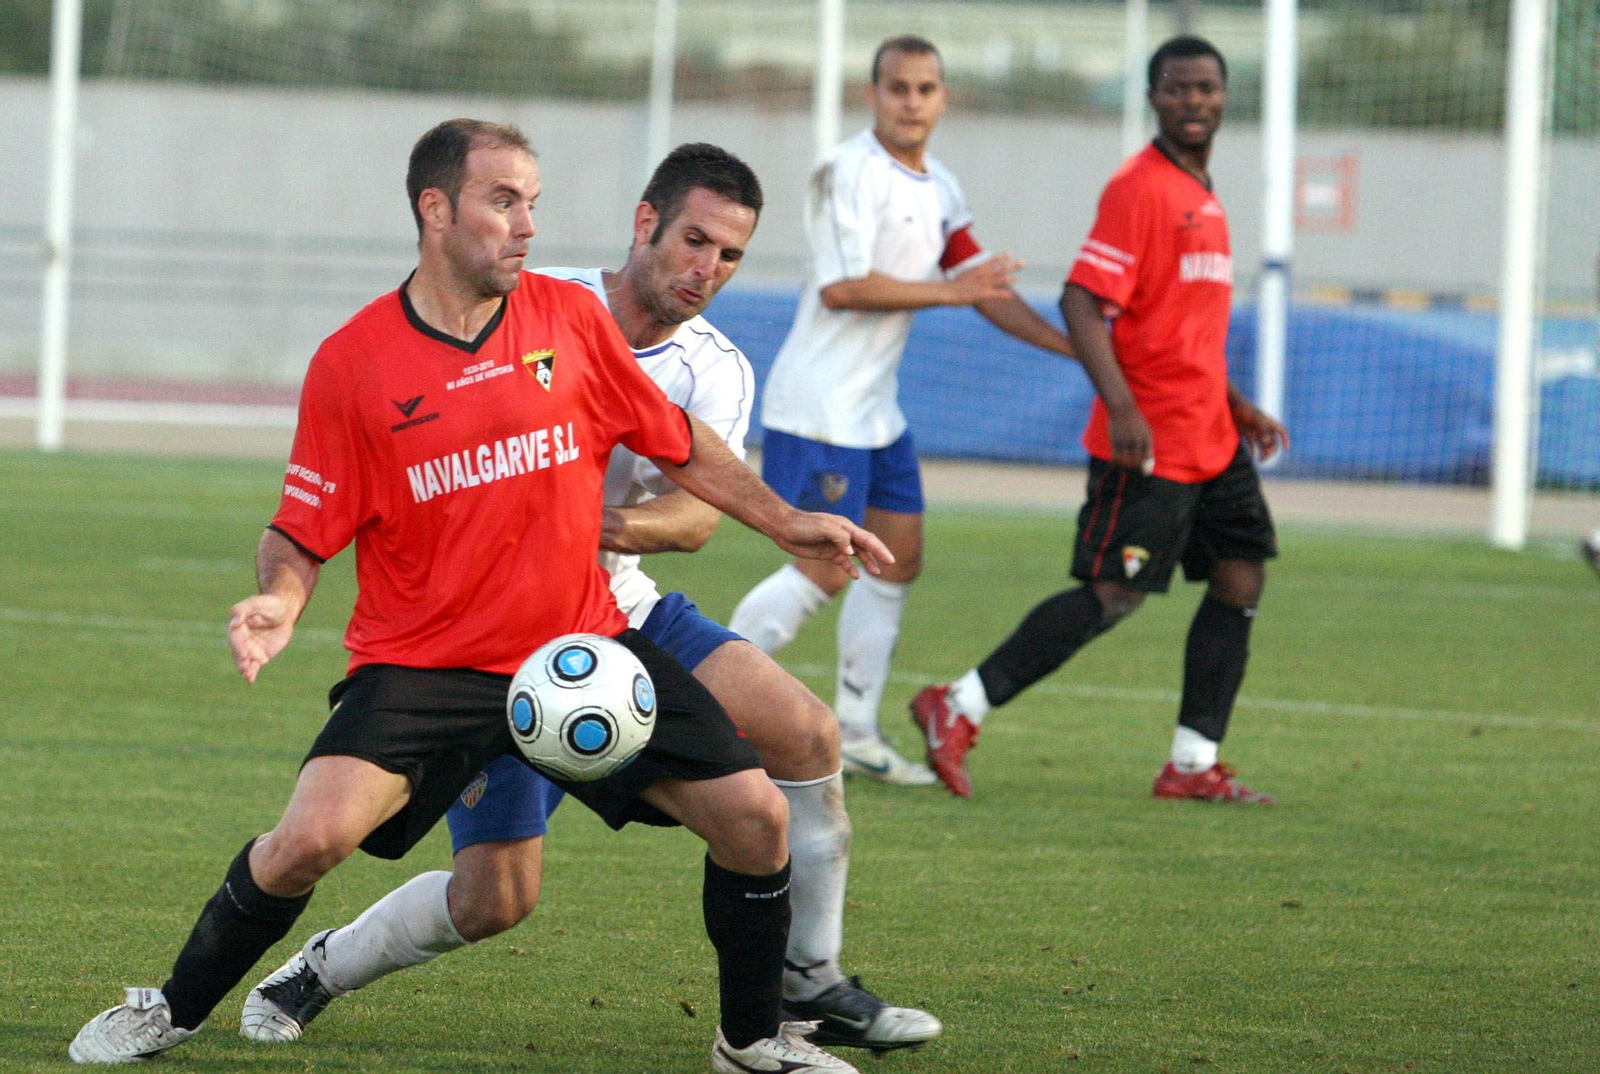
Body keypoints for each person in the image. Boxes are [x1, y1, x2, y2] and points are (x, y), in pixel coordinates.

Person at [69, 119, 889, 1074]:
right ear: (435, 209)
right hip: (426, 664)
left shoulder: (569, 321)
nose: (527, 224)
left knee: (756, 817)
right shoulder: (356, 361)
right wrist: (282, 600)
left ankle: (751, 1043)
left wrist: (785, 519)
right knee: (308, 843)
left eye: (533, 203)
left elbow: (676, 441)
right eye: (505, 201)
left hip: (578, 652)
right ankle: (167, 1008)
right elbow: (301, 525)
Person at [910, 36, 1289, 803]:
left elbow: (1180, 325)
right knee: (1114, 596)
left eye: (1207, 88)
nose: (1195, 101)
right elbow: (1082, 301)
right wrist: (1119, 405)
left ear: (1224, 96)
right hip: (1149, 440)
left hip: (1211, 438)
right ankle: (957, 705)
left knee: (1240, 577)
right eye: (1178, 89)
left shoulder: (1203, 193)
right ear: (1153, 98)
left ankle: (1190, 764)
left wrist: (1235, 403)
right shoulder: (1140, 188)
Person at [729, 34, 1076, 786]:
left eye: (925, 89)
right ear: (873, 94)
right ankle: (704, 695)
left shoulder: (941, 186)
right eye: (897, 88)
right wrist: (956, 290)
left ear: (943, 98)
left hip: (875, 414)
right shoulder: (845, 172)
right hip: (818, 407)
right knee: (824, 572)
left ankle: (855, 728)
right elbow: (843, 289)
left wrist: (1075, 349)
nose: (911, 103)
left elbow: (982, 283)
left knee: (897, 563)